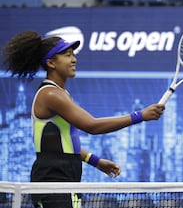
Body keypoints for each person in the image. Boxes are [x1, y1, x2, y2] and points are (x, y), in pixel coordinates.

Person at [1, 30, 165, 208]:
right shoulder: (51, 94)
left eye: (73, 54)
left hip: (63, 180)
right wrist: (140, 116)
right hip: (54, 183)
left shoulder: (60, 93)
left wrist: (96, 161)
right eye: (67, 55)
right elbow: (92, 126)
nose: (74, 59)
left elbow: (62, 144)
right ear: (50, 63)